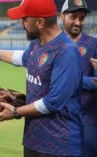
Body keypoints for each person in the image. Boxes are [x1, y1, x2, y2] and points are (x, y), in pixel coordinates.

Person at [0, 0, 83, 156]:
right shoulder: (38, 44)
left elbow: (53, 102)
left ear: (39, 22)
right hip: (33, 140)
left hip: (59, 144)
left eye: (24, 19)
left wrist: (16, 112)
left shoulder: (66, 52)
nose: (22, 23)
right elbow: (22, 58)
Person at [60, 0, 97, 156]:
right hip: (56, 120)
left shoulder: (94, 44)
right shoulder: (52, 45)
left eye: (81, 18)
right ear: (62, 17)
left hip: (87, 120)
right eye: (73, 17)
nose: (78, 22)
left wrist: (68, 79)